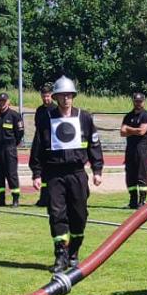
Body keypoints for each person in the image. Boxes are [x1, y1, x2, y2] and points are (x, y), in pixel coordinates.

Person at [29, 76, 104, 273]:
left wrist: (97, 169)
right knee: (56, 214)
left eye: (69, 95)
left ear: (73, 97)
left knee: (79, 216)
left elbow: (94, 144)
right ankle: (61, 255)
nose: (66, 99)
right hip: (54, 174)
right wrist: (37, 173)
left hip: (77, 174)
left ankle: (74, 252)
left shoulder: (84, 117)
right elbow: (37, 148)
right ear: (55, 98)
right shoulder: (47, 119)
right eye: (62, 96)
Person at [0, 92, 24, 206]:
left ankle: (15, 199)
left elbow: (20, 133)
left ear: (8, 102)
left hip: (9, 148)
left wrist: (13, 144)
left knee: (11, 174)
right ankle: (1, 199)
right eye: (1, 101)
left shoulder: (14, 115)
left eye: (4, 101)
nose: (2, 103)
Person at [120, 92, 147, 208]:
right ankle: (133, 201)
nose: (138, 103)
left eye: (140, 101)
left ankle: (142, 201)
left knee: (141, 175)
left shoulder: (146, 115)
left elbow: (142, 131)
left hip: (141, 149)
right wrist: (134, 130)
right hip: (130, 149)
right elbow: (122, 133)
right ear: (133, 101)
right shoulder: (128, 116)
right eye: (136, 101)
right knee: (130, 176)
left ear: (143, 101)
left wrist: (128, 129)